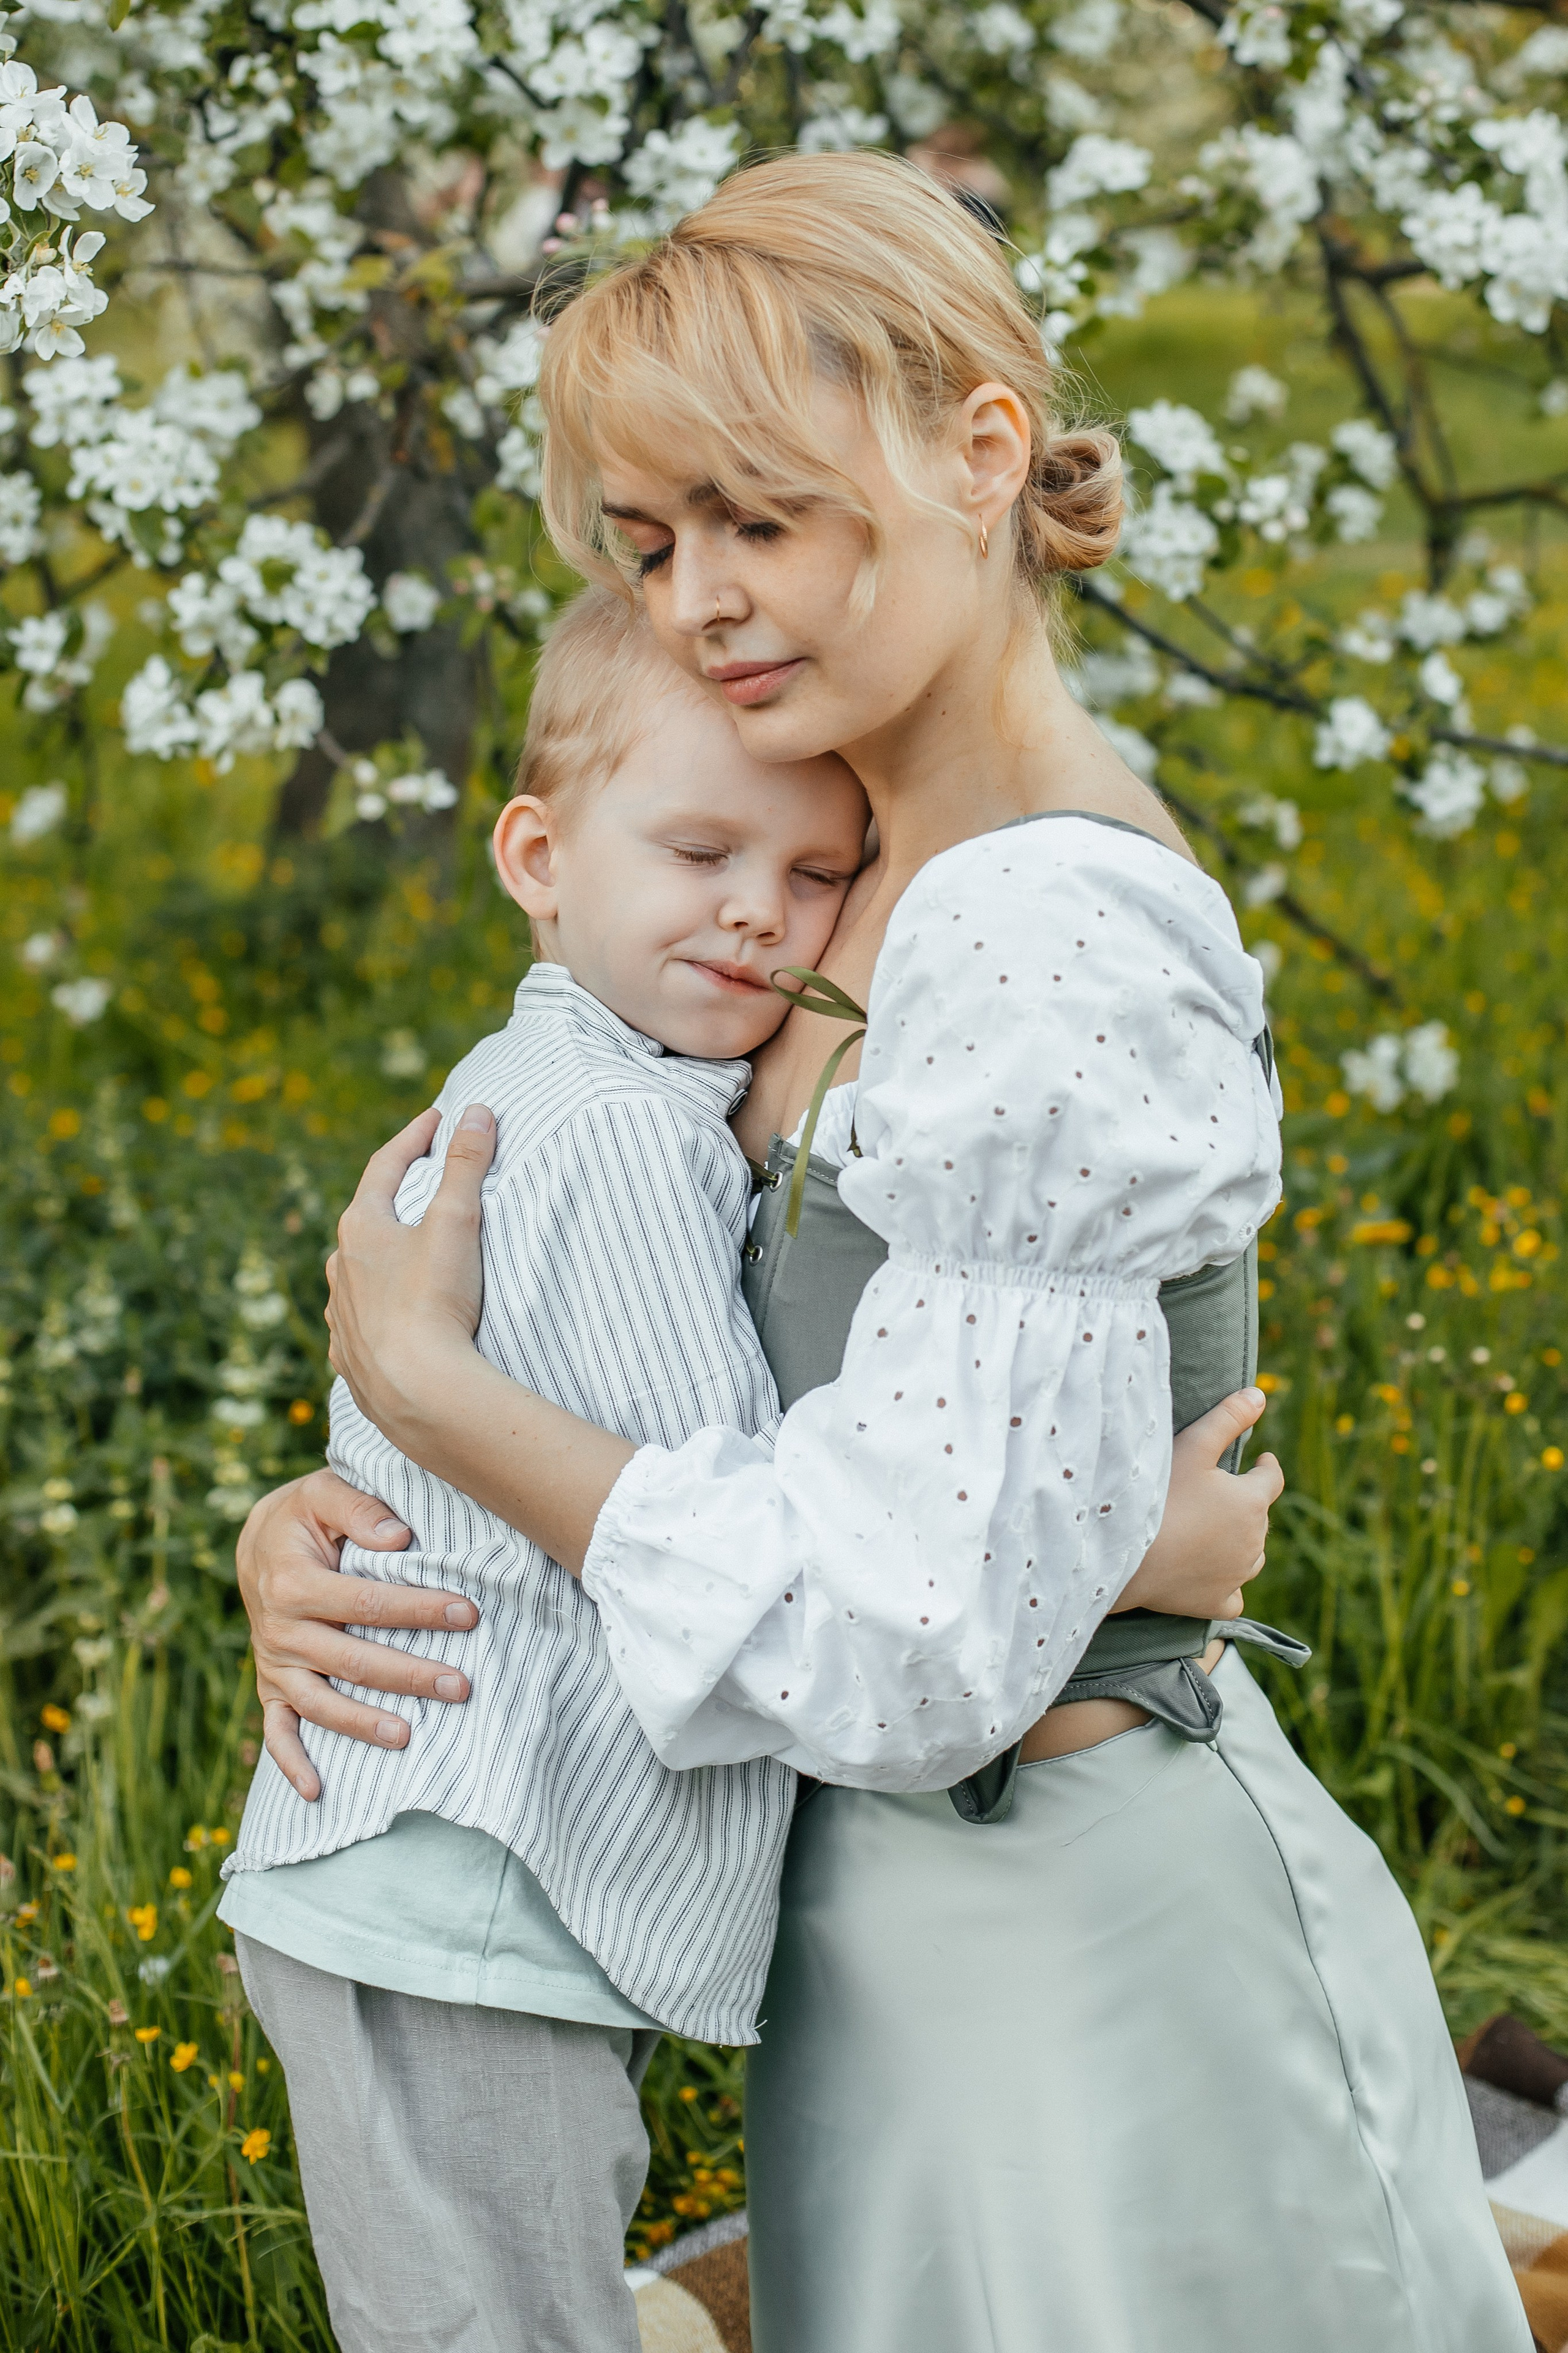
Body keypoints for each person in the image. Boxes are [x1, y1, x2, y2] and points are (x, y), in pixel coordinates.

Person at [239, 153, 1529, 2352]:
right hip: (875, 1951)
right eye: (651, 542)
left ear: (981, 450)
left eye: (762, 515)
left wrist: (452, 1397)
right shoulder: (827, 858)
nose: (703, 600)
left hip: (1083, 1957)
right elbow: (748, 1403)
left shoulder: (1048, 929)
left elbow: (924, 1632)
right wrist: (359, 1504)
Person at [220, 585, 871, 2353]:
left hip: (458, 1872)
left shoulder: (601, 1085)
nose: (759, 908)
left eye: (817, 874)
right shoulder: (604, 1138)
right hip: (460, 1880)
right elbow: (717, 1518)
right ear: (538, 853)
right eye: (700, 848)